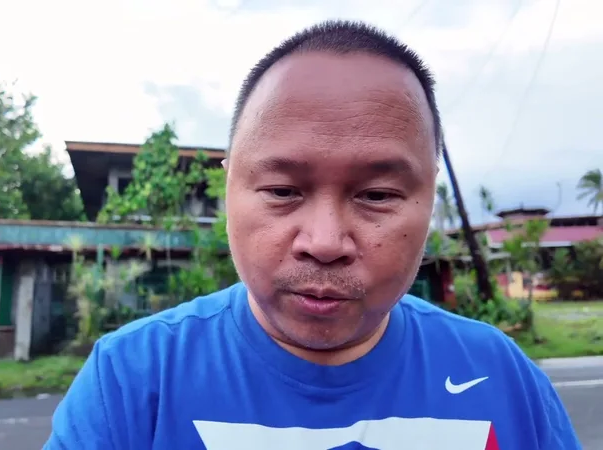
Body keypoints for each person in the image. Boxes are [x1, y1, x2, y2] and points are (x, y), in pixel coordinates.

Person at [43, 20, 581, 450]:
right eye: (281, 190)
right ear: (229, 188)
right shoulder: (134, 379)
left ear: (429, 200)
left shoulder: (501, 376)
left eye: (377, 195)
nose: (324, 242)